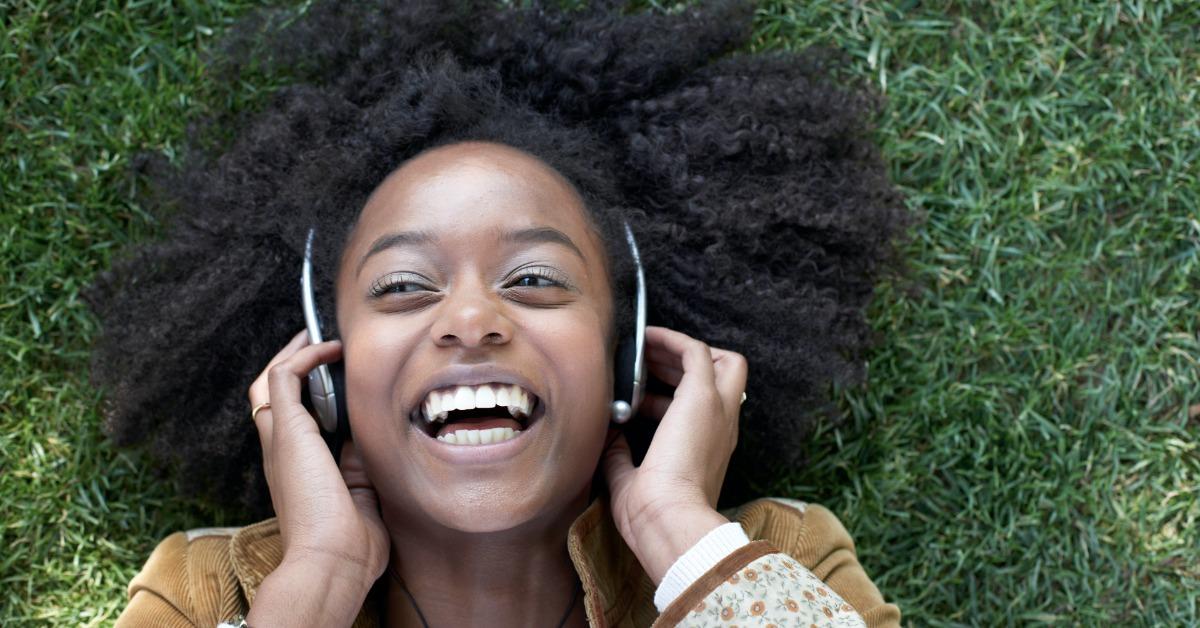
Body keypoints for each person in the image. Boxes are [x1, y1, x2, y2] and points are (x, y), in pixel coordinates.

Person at [88, 1, 909, 626]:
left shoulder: (780, 560)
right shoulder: (206, 591)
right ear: (324, 368)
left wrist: (677, 536)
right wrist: (319, 581)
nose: (473, 318)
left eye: (535, 278)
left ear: (628, 354)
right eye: (405, 286)